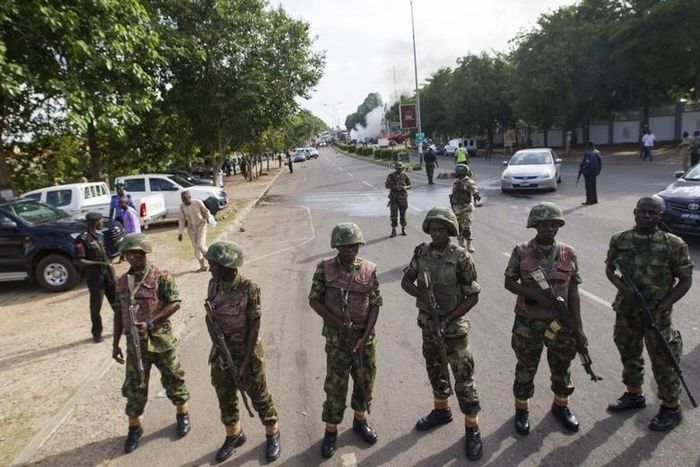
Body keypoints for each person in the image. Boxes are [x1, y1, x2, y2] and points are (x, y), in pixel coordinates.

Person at [401, 207, 483, 461]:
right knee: (435, 368)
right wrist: (422, 295)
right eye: (433, 229)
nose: (436, 233)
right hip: (428, 324)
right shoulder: (421, 251)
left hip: (454, 327)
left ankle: (472, 426)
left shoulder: (461, 257)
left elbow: (473, 295)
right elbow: (406, 281)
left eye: (442, 229)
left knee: (463, 375)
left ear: (450, 231)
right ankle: (441, 410)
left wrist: (448, 319)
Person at [605, 197, 693, 432]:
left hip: (657, 315)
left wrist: (664, 306)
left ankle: (670, 407)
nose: (646, 215)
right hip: (626, 311)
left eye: (652, 212)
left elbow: (685, 279)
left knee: (664, 360)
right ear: (634, 212)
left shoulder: (673, 243)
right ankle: (634, 394)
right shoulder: (620, 240)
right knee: (629, 352)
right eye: (642, 211)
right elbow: (609, 268)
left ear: (660, 215)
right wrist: (622, 288)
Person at [504, 202, 587, 435]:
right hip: (528, 322)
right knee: (526, 367)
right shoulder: (521, 251)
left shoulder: (568, 252)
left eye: (554, 224)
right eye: (544, 224)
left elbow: (573, 291)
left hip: (560, 323)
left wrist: (578, 328)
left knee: (562, 366)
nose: (549, 228)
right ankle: (521, 410)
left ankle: (561, 406)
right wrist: (536, 295)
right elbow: (509, 282)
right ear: (535, 226)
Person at [112, 233, 191, 453]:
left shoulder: (160, 276)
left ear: (144, 253)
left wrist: (151, 322)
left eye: (135, 253)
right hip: (135, 345)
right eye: (127, 253)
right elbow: (118, 313)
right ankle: (134, 428)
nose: (131, 257)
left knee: (174, 378)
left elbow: (175, 303)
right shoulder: (121, 283)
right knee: (135, 387)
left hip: (161, 341)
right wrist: (115, 343)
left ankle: (182, 413)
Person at [203, 241, 281, 463]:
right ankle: (234, 435)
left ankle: (273, 432)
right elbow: (210, 320)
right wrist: (220, 351)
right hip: (221, 354)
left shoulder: (249, 288)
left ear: (228, 265)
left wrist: (244, 363)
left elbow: (254, 327)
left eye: (214, 265)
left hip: (247, 353)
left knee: (260, 396)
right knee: (225, 396)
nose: (210, 269)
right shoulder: (213, 285)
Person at [309, 223, 381, 459]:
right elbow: (315, 300)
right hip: (338, 341)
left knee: (364, 381)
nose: (350, 250)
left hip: (364, 340)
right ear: (336, 246)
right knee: (335, 386)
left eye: (354, 245)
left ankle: (360, 421)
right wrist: (338, 324)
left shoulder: (368, 270)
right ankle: (331, 431)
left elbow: (375, 305)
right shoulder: (325, 268)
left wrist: (365, 335)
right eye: (345, 246)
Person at [75, 212, 117, 342]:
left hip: (107, 275)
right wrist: (99, 263)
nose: (102, 223)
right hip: (95, 278)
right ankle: (97, 334)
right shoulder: (82, 239)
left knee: (117, 303)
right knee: (96, 307)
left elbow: (105, 254)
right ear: (94, 223)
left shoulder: (100, 236)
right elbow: (79, 261)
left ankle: (124, 326)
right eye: (100, 221)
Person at [177, 190, 212, 272]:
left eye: (186, 199)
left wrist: (210, 218)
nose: (184, 201)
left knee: (201, 245)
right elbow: (181, 220)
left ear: (190, 197)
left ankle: (213, 262)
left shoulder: (197, 202)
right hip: (191, 228)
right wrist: (180, 233)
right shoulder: (182, 207)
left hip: (201, 225)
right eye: (183, 199)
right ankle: (203, 266)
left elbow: (206, 211)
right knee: (196, 249)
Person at [450, 164, 480, 252]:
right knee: (458, 227)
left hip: (466, 208)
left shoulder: (468, 181)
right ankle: (460, 244)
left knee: (466, 227)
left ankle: (469, 244)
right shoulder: (456, 182)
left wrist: (476, 196)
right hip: (456, 208)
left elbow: (474, 189)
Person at [385, 161, 412, 237]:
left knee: (403, 214)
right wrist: (395, 188)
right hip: (394, 198)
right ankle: (393, 230)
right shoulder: (391, 176)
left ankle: (403, 229)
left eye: (401, 168)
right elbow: (387, 185)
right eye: (398, 168)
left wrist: (405, 187)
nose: (400, 169)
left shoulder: (404, 175)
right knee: (394, 215)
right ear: (396, 168)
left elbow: (410, 185)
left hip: (403, 198)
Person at [578, 141, 603, 205]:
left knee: (588, 187)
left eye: (587, 146)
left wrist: (581, 169)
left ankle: (589, 201)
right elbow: (600, 163)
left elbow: (584, 163)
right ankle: (594, 200)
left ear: (589, 146)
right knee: (593, 187)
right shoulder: (597, 153)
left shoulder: (588, 153)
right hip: (594, 173)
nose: (586, 147)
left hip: (588, 173)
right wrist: (598, 172)